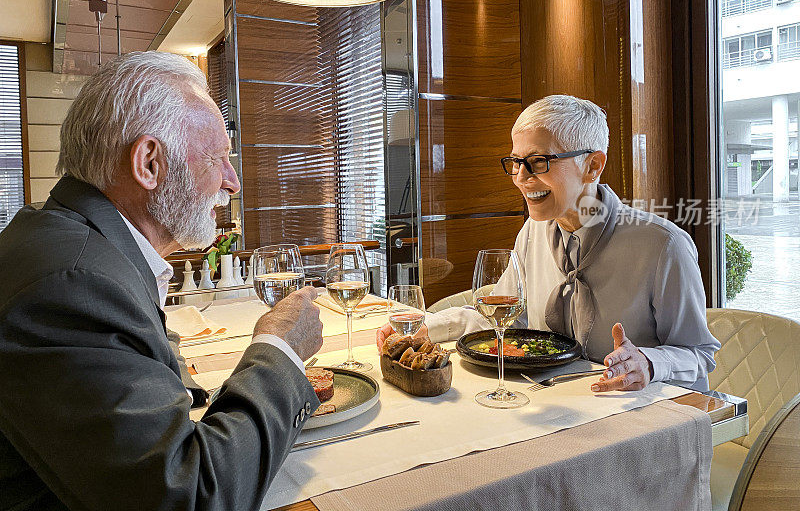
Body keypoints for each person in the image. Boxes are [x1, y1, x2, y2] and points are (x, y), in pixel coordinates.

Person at [0, 52, 324, 511]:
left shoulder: (70, 243)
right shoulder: (71, 287)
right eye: (220, 158)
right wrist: (280, 349)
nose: (233, 183)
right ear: (148, 163)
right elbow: (189, 497)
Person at [378, 95, 720, 393]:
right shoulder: (532, 232)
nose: (522, 177)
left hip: (643, 417)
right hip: (558, 406)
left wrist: (647, 361)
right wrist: (426, 326)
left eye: (538, 162)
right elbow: (503, 320)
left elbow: (700, 355)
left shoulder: (662, 245)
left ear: (592, 165)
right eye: (515, 162)